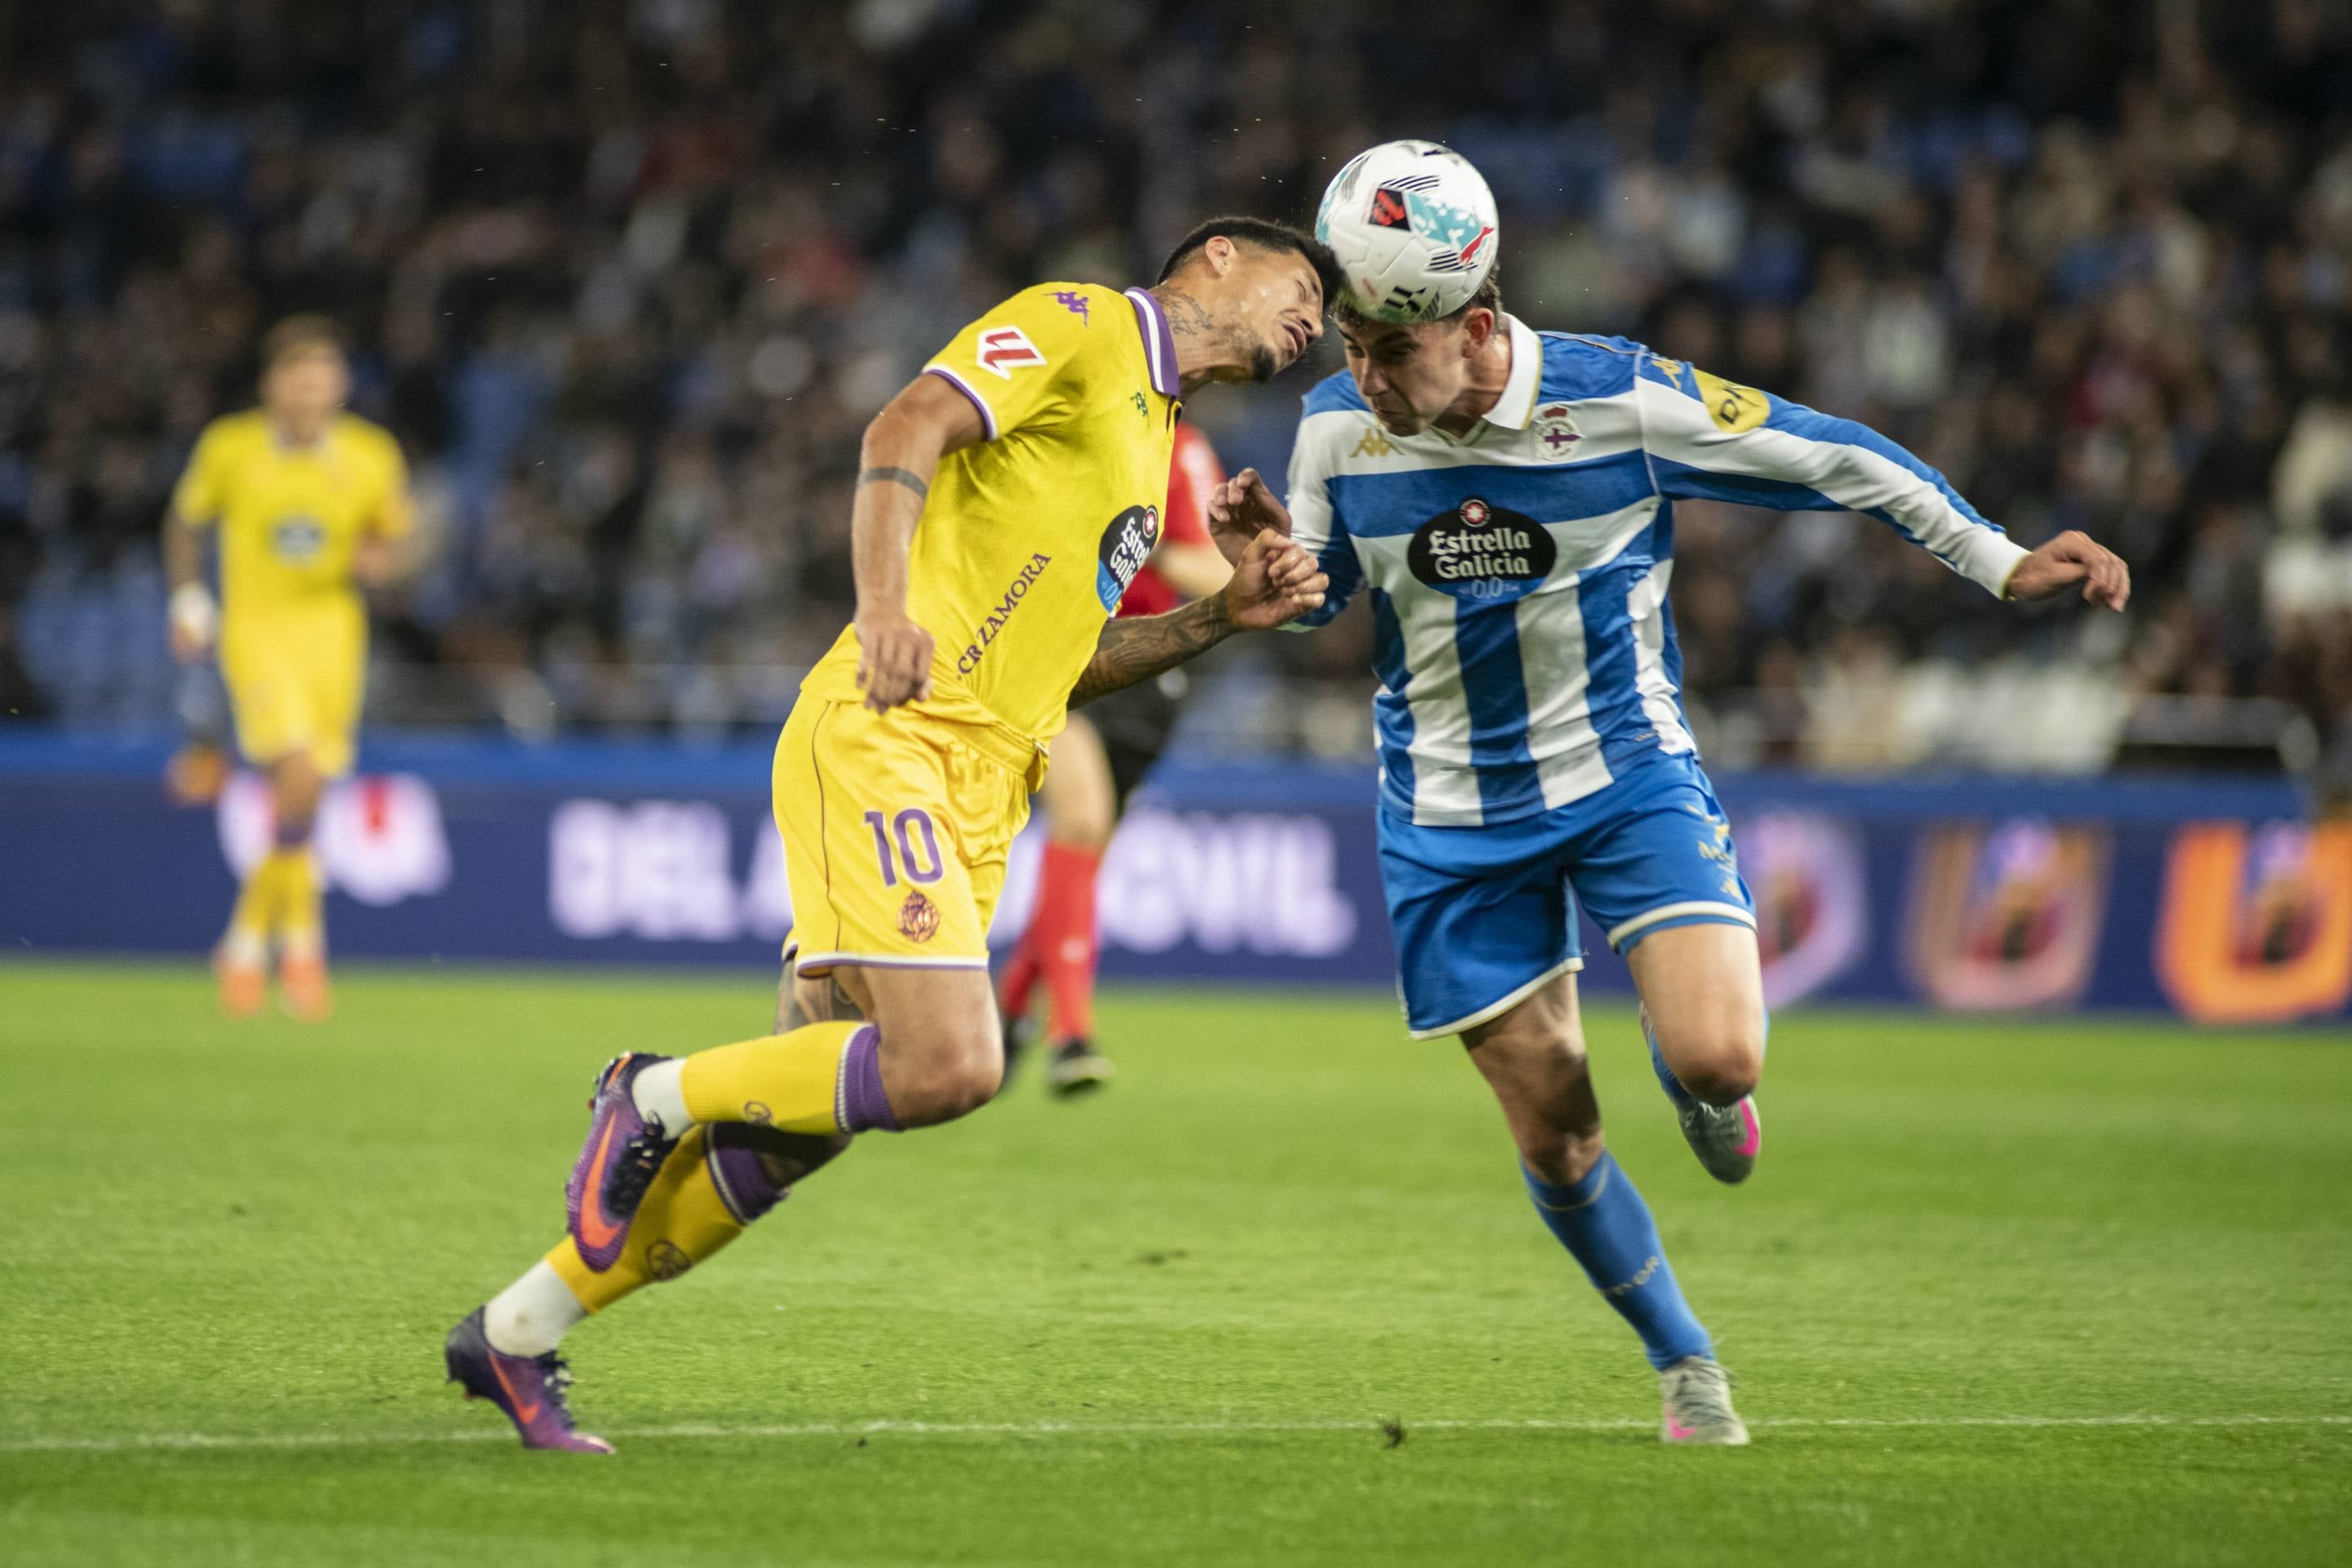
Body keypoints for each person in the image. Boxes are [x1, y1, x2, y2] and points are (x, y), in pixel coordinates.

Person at [1209, 238, 2129, 1446]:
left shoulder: (1621, 399)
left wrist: (1998, 559)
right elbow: (1327, 590)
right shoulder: (1337, 424)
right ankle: (1685, 1360)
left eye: (1394, 351)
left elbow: (1831, 454)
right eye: (1354, 348)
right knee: (1556, 1127)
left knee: (1719, 1060)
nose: (1366, 377)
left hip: (1624, 780)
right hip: (1446, 814)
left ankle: (1692, 1071)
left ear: (1478, 324)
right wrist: (1271, 565)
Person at [445, 218, 1343, 1453]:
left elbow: (1066, 664)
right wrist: (881, 609)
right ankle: (645, 1094)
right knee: (948, 1068)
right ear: (1220, 261)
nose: (1313, 325)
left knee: (795, 1132)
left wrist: (1221, 617)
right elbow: (903, 426)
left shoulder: (1151, 445)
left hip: (984, 782)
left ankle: (514, 1333)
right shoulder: (1084, 324)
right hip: (893, 732)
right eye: (1304, 291)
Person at [163, 315, 415, 1023]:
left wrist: (385, 561)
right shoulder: (232, 447)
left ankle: (256, 938)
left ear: (340, 384)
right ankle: (289, 948)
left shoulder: (370, 455)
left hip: (334, 635)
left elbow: (395, 542)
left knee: (306, 793)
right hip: (257, 629)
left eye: (323, 376)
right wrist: (188, 598)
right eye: (297, 377)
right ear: (272, 384)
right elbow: (185, 521)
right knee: (299, 772)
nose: (310, 391)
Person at [997, 421, 1234, 1094]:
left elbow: (1218, 570)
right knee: (1082, 820)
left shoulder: (1180, 448)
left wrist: (1145, 546)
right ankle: (1069, 1034)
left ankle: (1010, 1006)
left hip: (1145, 671)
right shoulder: (1050, 432)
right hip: (1059, 655)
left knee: (1083, 858)